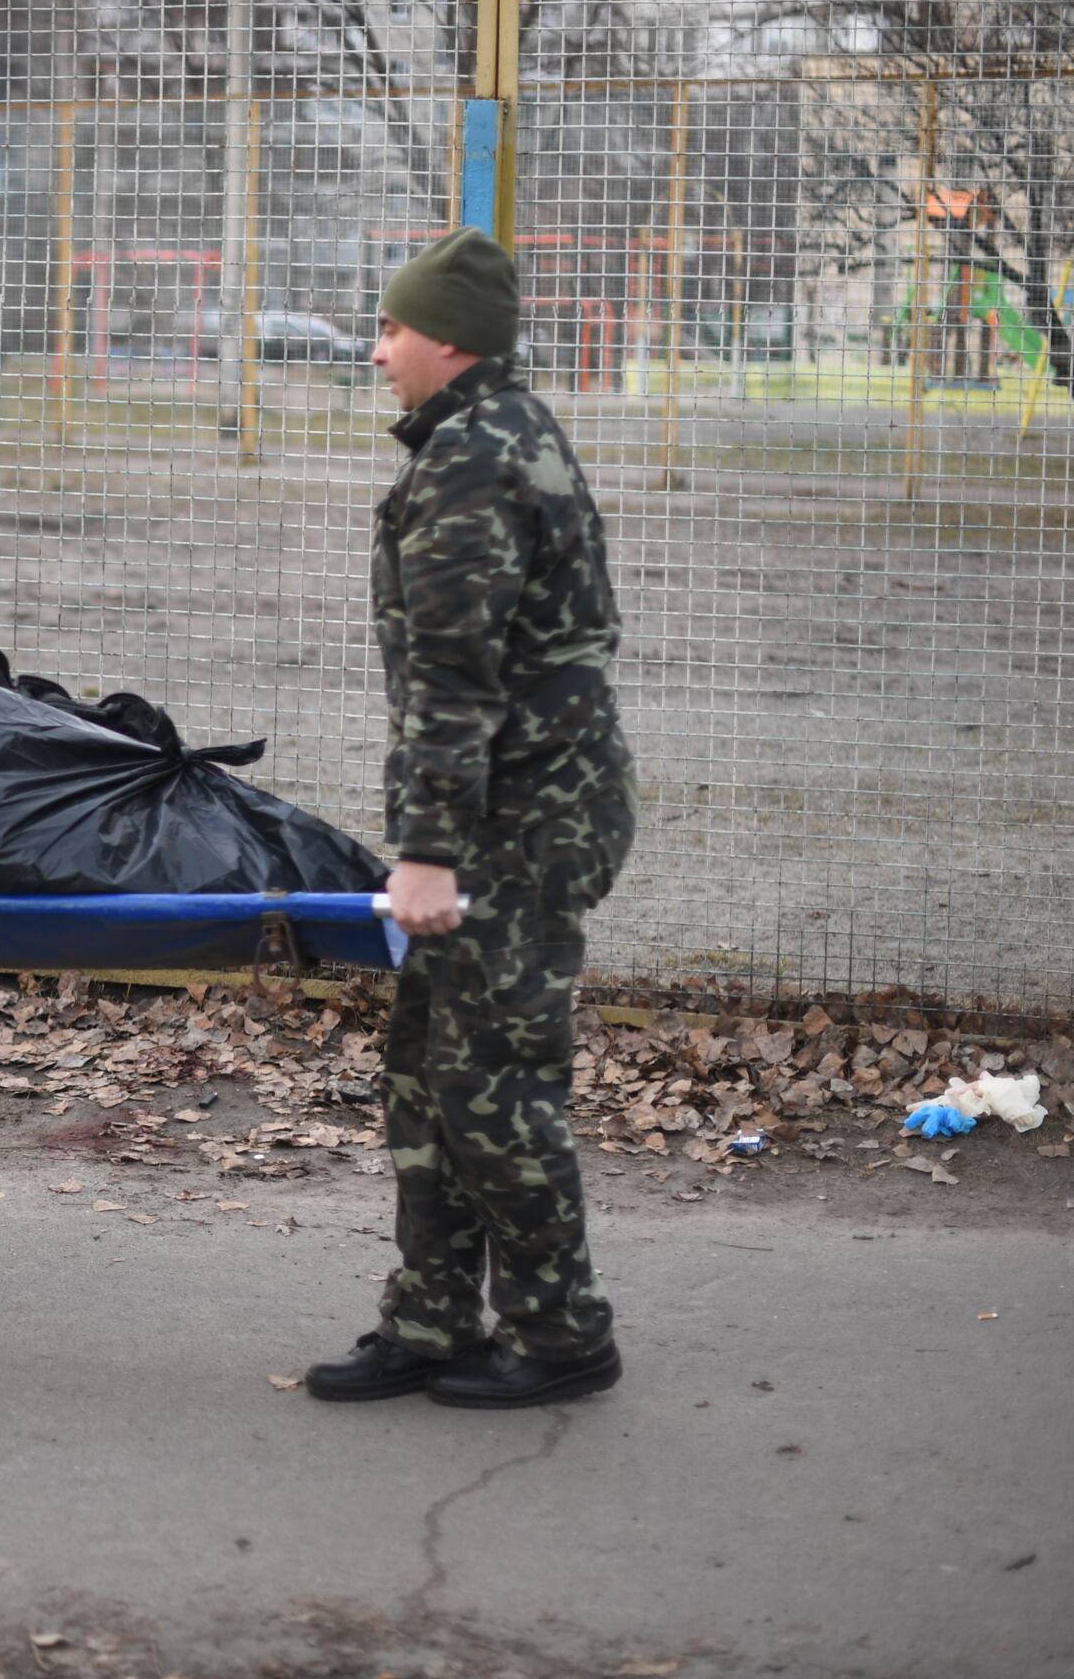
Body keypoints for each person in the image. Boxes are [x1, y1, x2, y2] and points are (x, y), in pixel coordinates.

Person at [304, 228, 637, 1410]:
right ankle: (436, 1318)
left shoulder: (472, 462)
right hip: (521, 810)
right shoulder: (494, 432)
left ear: (447, 340)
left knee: (490, 1083)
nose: (376, 348)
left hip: (515, 829)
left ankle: (560, 1335)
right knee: (428, 1076)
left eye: (390, 329)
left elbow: (455, 676)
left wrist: (430, 853)